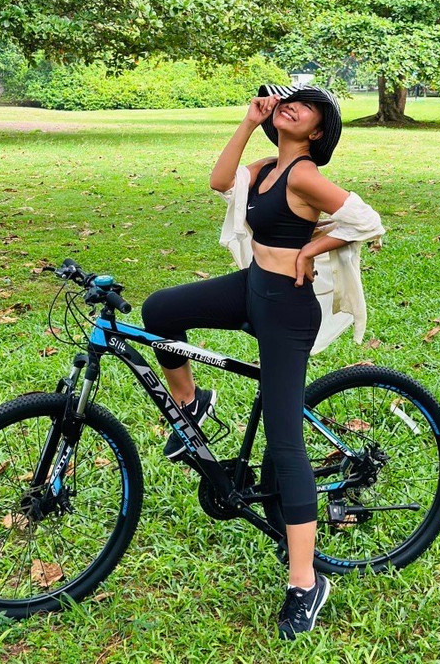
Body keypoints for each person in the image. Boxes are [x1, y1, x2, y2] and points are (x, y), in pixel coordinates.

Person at [141, 83, 369, 640]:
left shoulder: (305, 174)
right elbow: (220, 182)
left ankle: (305, 582)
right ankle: (192, 404)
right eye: (287, 101)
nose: (291, 106)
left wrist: (312, 248)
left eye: (306, 106)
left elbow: (366, 220)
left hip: (287, 308)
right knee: (160, 310)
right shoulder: (267, 167)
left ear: (317, 131)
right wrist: (248, 121)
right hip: (252, 287)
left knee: (284, 442)